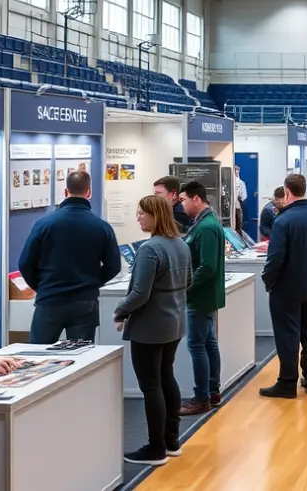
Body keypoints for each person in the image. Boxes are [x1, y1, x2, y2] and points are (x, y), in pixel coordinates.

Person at [114, 195, 192, 465]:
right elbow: (188, 281)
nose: (138, 218)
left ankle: (155, 448)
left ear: (155, 216)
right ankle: (171, 441)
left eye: (141, 214)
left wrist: (120, 310)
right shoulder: (180, 244)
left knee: (150, 386)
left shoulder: (150, 249)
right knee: (166, 378)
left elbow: (139, 293)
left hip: (149, 327)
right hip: (175, 322)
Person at [18, 170, 122, 343]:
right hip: (85, 301)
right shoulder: (101, 227)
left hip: (49, 299)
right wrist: (92, 282)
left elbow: (25, 263)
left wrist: (42, 286)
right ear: (89, 192)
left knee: (39, 356)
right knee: (80, 358)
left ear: (65, 192)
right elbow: (113, 266)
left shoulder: (44, 224)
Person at [261, 174, 307, 398]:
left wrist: (268, 280)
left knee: (287, 336)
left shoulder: (283, 221)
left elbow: (275, 258)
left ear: (287, 192)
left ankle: (287, 382)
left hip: (286, 289)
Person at [178, 181, 227, 415]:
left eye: (183, 200)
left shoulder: (206, 227)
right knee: (207, 342)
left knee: (196, 345)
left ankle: (201, 397)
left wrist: (185, 287)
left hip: (200, 296)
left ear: (196, 199)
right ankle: (212, 391)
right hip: (204, 295)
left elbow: (207, 266)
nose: (182, 205)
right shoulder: (205, 223)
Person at [233, 164, 248, 233]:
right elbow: (243, 197)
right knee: (237, 227)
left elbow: (243, 197)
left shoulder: (241, 183)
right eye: (236, 170)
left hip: (237, 207)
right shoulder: (239, 182)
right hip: (234, 208)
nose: (237, 172)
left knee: (238, 227)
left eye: (238, 170)